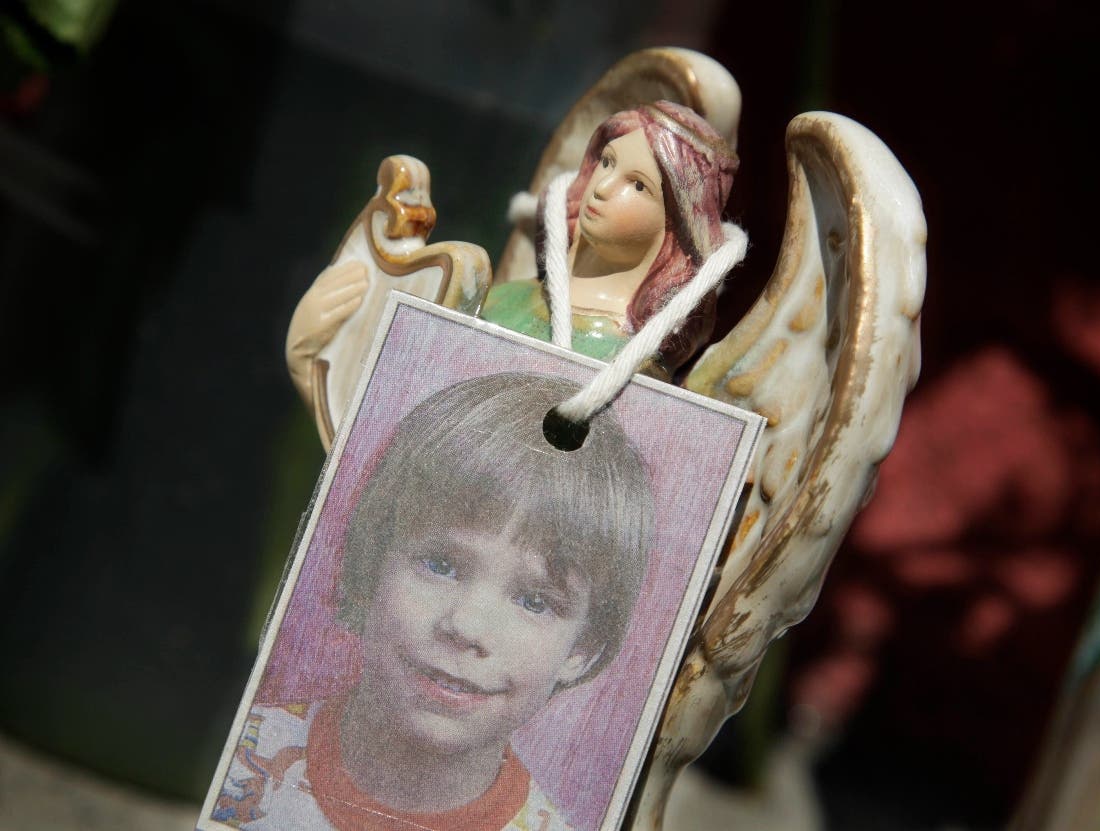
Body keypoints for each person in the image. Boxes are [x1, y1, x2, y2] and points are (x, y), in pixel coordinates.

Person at [211, 373, 654, 831]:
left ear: (584, 648)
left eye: (534, 601)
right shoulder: (245, 758)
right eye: (440, 566)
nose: (466, 627)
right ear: (373, 561)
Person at [481, 100, 739, 378]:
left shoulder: (633, 368)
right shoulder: (503, 297)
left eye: (639, 185)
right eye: (607, 162)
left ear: (677, 221)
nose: (602, 187)